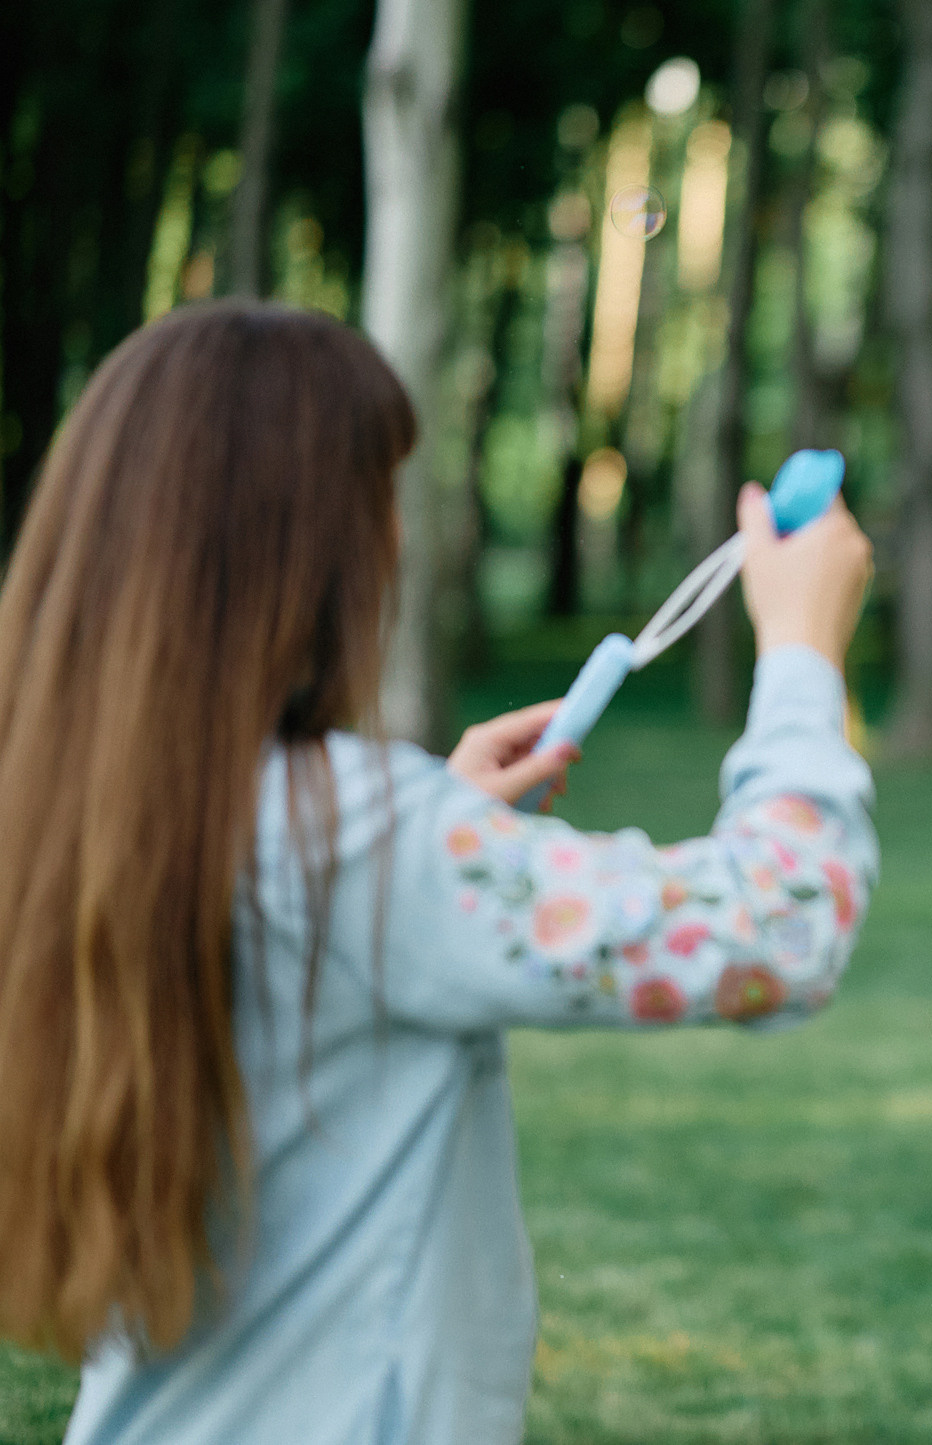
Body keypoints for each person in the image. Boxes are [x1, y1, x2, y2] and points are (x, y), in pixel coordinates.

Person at [0, 302, 877, 1445]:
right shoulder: (358, 844)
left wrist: (441, 825)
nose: (397, 544)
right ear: (306, 550)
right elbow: (780, 924)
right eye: (381, 500)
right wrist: (803, 655)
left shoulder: (78, 817)